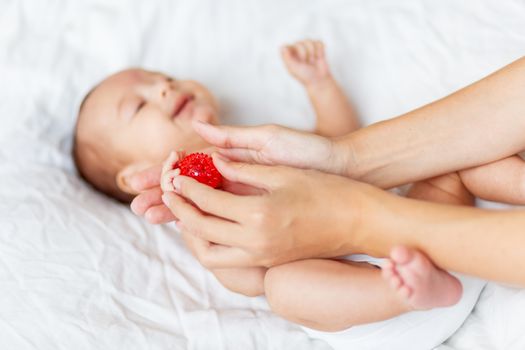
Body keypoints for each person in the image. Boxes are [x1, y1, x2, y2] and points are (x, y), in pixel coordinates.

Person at [129, 54, 525, 294]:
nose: (164, 88)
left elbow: (337, 138)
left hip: (426, 225)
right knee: (284, 288)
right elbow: (250, 284)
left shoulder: (258, 143)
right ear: (132, 177)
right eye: (137, 107)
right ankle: (405, 293)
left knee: (461, 164)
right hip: (375, 287)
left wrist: (320, 87)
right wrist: (217, 241)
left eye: (165, 79)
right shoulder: (200, 222)